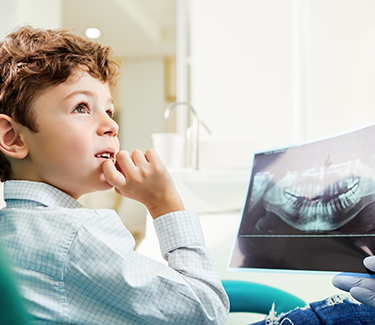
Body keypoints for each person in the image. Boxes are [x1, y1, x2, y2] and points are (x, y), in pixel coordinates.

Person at [0, 25, 229, 324]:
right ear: (14, 138)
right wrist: (164, 203)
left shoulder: (13, 229)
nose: (111, 125)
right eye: (81, 108)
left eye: (108, 111)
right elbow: (207, 312)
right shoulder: (76, 235)